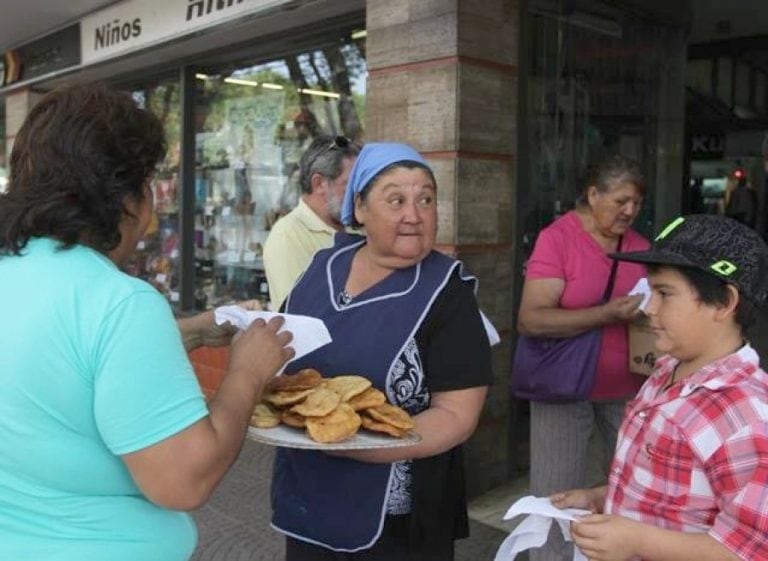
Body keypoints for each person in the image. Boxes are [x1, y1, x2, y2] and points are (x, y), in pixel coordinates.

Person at [0, 84, 295, 561]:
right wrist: (247, 373)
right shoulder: (118, 303)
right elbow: (184, 478)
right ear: (125, 197)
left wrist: (194, 331)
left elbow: (56, 364)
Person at [270, 142, 494, 560]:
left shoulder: (448, 292)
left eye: (425, 199)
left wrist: (360, 446)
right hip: (308, 491)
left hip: (398, 524)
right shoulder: (322, 268)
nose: (414, 214)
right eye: (396, 200)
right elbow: (280, 351)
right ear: (359, 207)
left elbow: (457, 415)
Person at [552, 214, 768, 561]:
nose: (648, 308)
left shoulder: (748, 417)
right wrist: (602, 498)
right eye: (649, 291)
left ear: (725, 303)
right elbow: (674, 489)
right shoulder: (666, 371)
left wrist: (636, 541)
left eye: (664, 293)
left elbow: (749, 550)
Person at [516, 155, 650, 561]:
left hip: (629, 389)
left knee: (635, 488)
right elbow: (531, 319)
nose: (630, 211)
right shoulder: (558, 239)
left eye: (637, 203)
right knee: (555, 496)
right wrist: (606, 315)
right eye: (621, 201)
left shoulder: (642, 247)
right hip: (562, 387)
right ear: (593, 195)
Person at [263, 133, 361, 309]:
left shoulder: (357, 227)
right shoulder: (288, 235)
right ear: (319, 184)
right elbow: (300, 314)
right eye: (350, 185)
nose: (358, 194)